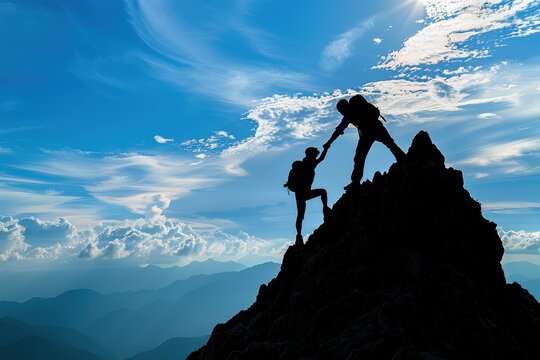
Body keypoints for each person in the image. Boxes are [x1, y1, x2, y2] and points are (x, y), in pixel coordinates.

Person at [323, 95, 405, 190]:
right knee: (390, 145)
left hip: (367, 134)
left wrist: (329, 142)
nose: (341, 113)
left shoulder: (348, 115)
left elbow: (339, 130)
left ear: (344, 107)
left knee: (360, 157)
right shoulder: (356, 110)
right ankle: (403, 159)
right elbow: (339, 129)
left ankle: (355, 182)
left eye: (341, 111)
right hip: (377, 128)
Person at [285, 146, 332, 246]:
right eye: (315, 155)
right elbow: (321, 159)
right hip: (304, 193)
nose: (316, 157)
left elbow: (320, 159)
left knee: (300, 216)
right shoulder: (309, 164)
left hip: (299, 195)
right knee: (323, 192)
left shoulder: (303, 164)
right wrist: (326, 149)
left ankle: (298, 236)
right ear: (310, 155)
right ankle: (326, 210)